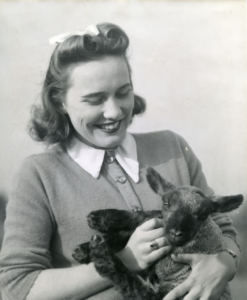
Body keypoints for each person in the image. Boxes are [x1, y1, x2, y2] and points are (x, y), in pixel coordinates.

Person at [0, 23, 240, 300]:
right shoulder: (39, 175)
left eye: (123, 92)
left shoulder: (173, 148)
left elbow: (223, 229)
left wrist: (225, 262)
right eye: (94, 99)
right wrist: (124, 260)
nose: (114, 111)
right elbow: (16, 286)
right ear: (60, 101)